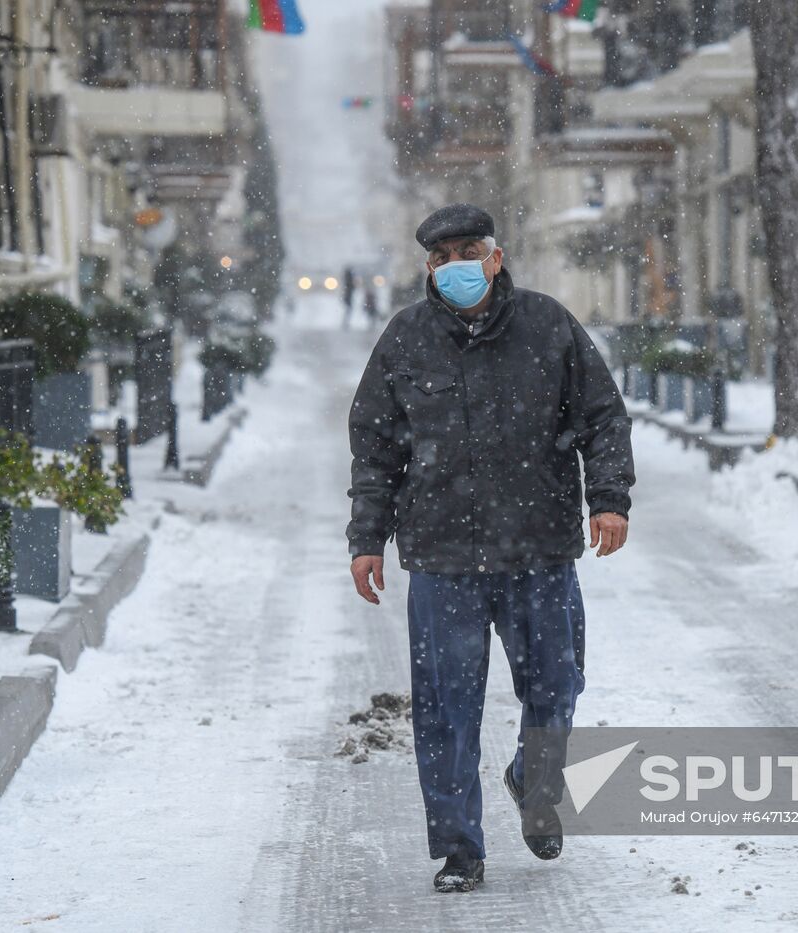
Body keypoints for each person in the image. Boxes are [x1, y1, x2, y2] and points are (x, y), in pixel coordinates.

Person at [346, 204, 634, 894]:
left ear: (496, 257)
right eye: (442, 257)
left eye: (468, 251)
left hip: (538, 550)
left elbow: (602, 417)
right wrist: (366, 539)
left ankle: (536, 785)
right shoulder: (406, 340)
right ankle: (458, 848)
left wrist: (610, 498)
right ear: (429, 269)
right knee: (446, 707)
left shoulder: (548, 327)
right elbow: (375, 449)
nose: (456, 266)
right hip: (443, 560)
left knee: (557, 685)